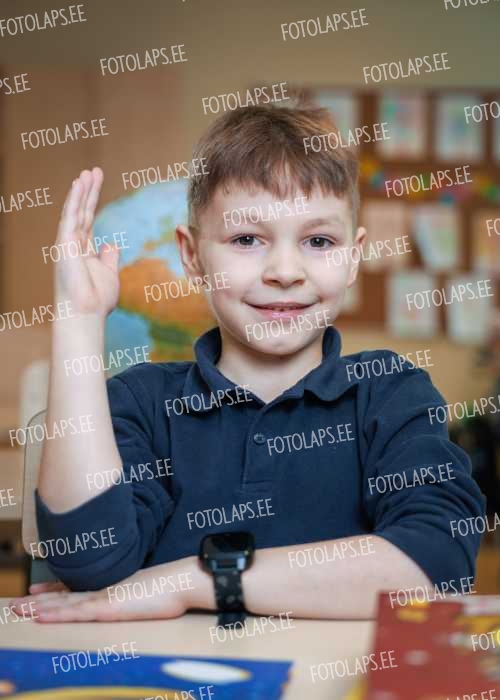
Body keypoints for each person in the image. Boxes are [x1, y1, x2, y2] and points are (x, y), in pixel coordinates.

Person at [11, 100, 485, 623]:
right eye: (245, 239)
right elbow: (90, 562)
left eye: (319, 240)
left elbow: (439, 562)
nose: (285, 270)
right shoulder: (142, 401)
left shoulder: (390, 392)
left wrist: (193, 581)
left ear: (353, 257)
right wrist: (79, 321)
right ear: (192, 255)